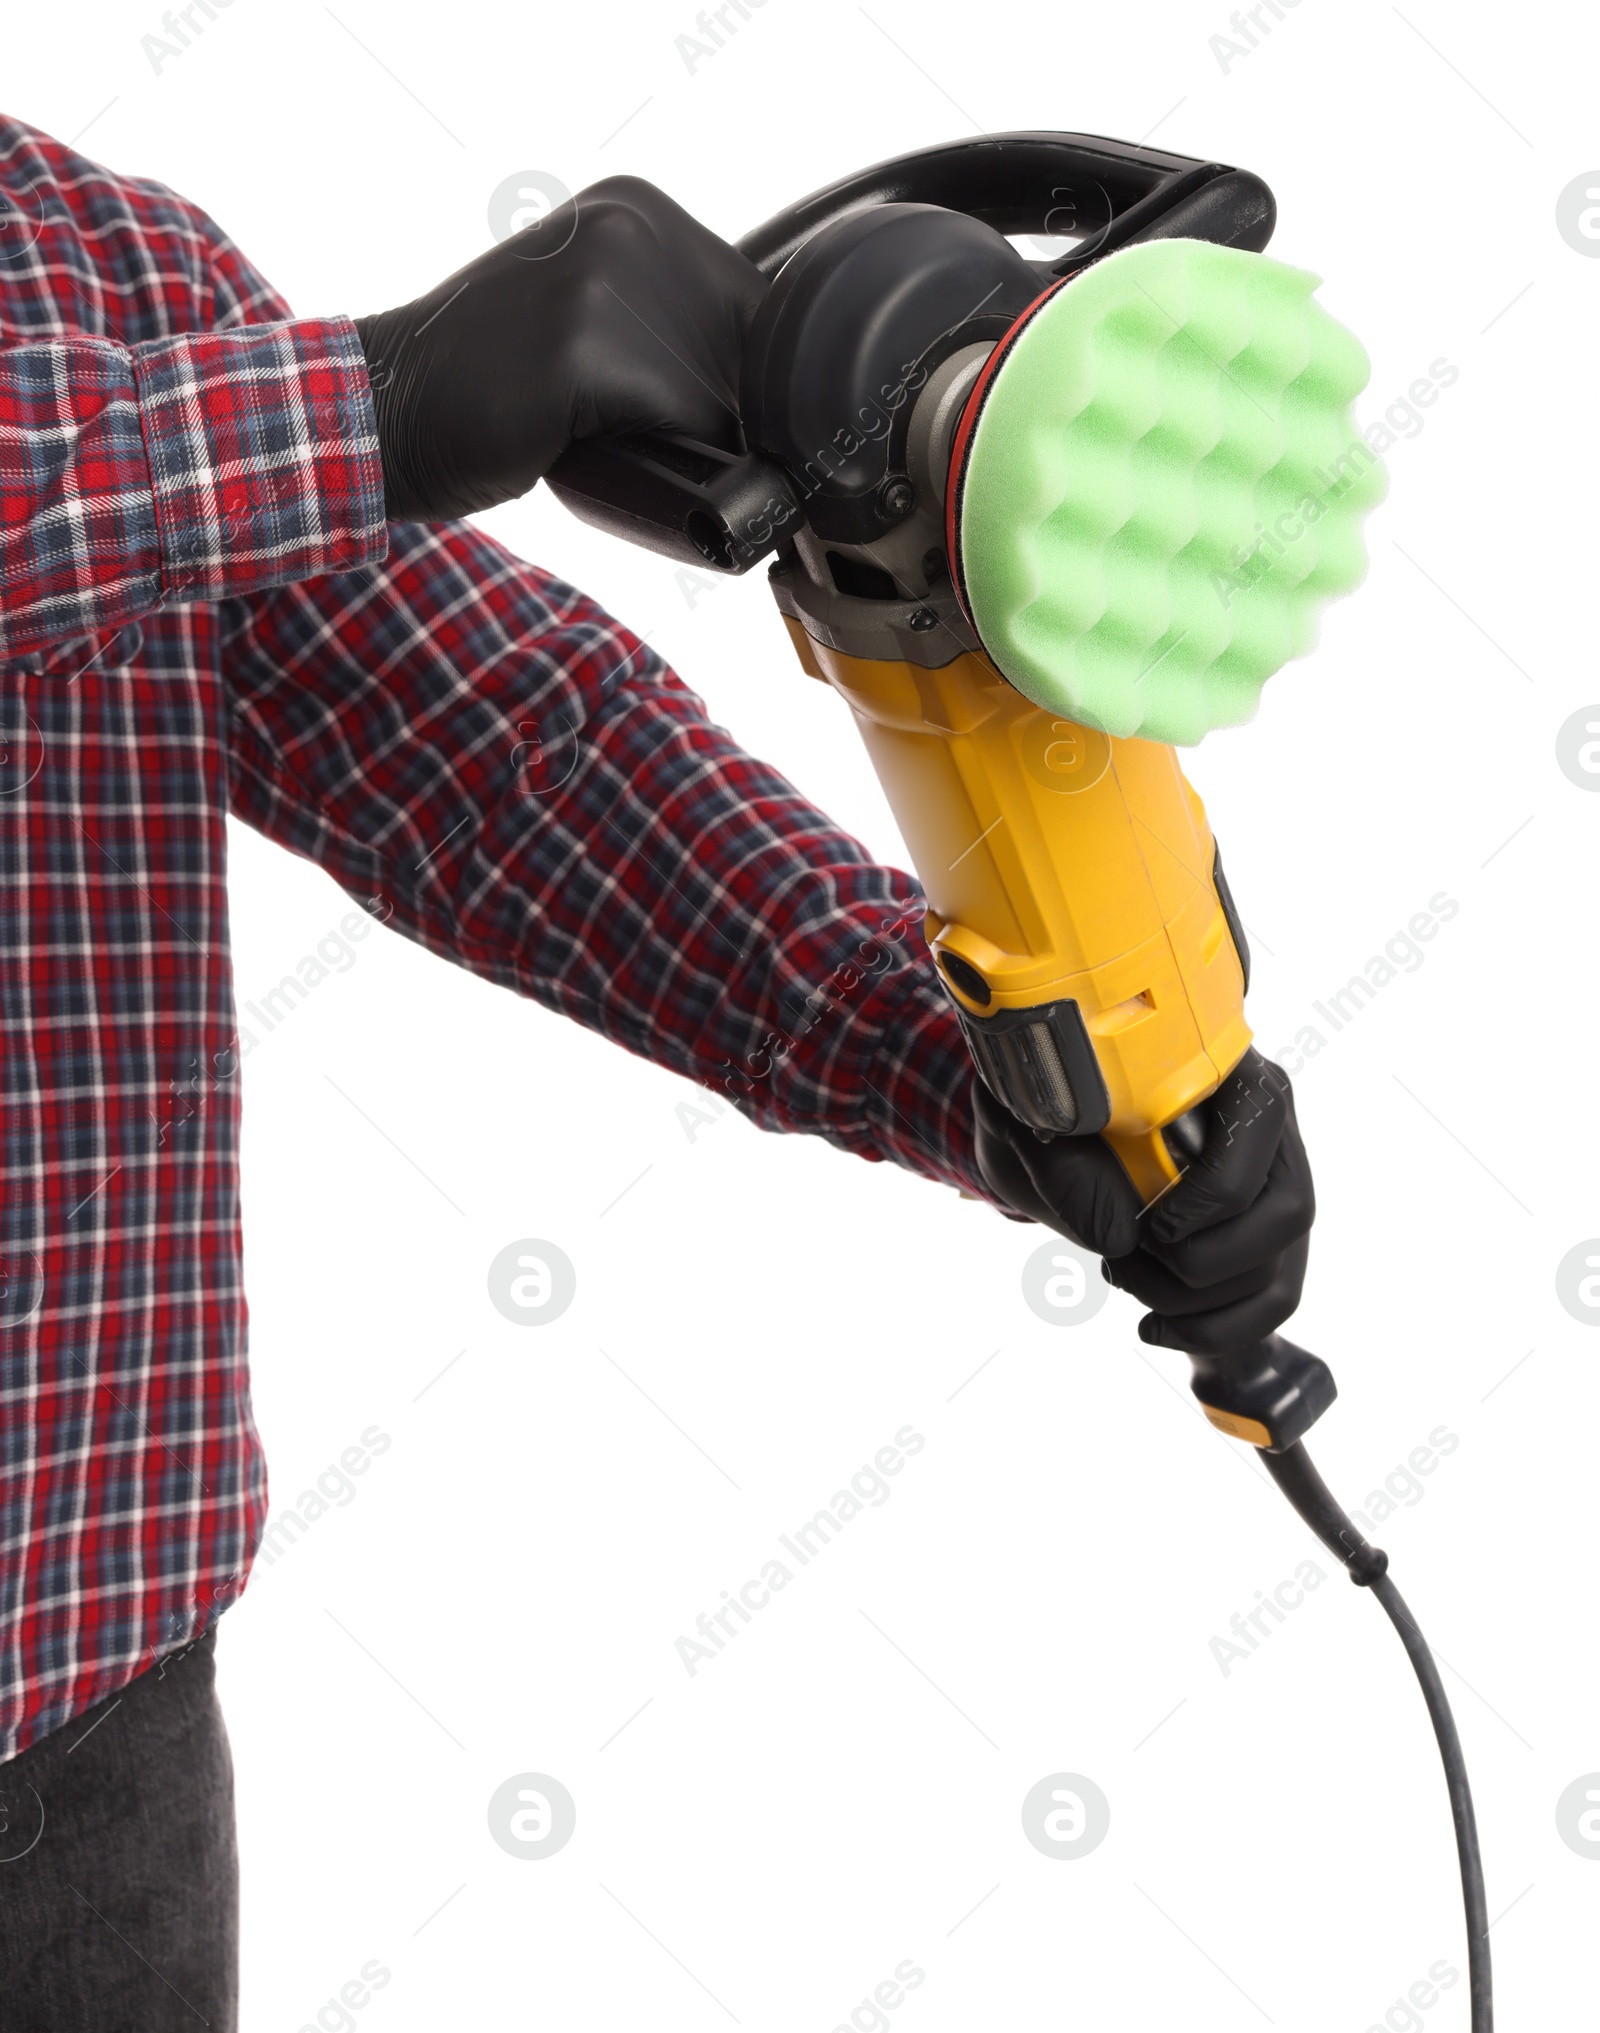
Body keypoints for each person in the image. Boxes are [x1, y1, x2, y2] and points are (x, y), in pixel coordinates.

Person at [0, 114, 1313, 2029]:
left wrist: (986, 1071)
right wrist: (370, 400)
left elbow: (514, 763)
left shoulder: (83, 262)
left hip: (89, 1706)